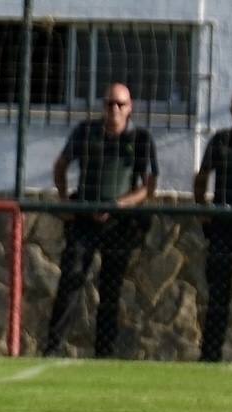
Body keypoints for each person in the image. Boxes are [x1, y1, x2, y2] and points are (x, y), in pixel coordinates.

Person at [42, 83, 159, 358]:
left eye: (120, 104)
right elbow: (60, 166)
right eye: (110, 104)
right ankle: (53, 347)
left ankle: (104, 352)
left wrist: (119, 205)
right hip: (84, 219)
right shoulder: (86, 132)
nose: (114, 110)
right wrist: (65, 200)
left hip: (119, 224)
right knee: (71, 280)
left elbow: (148, 186)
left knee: (111, 288)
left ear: (130, 108)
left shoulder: (140, 139)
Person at [193, 89, 232, 362]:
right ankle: (210, 355)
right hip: (224, 229)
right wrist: (202, 208)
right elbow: (202, 176)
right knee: (218, 295)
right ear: (231, 111)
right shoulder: (220, 141)